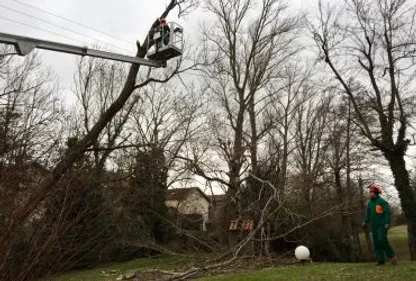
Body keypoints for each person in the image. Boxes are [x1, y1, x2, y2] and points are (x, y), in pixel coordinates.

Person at [363, 183, 397, 265]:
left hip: (382, 225)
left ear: (375, 193)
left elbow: (387, 213)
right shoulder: (369, 203)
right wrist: (365, 222)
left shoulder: (382, 202)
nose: (369, 194)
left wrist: (387, 223)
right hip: (374, 226)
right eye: (369, 192)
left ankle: (392, 256)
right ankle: (381, 261)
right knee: (376, 242)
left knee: (382, 239)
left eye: (371, 192)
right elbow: (368, 214)